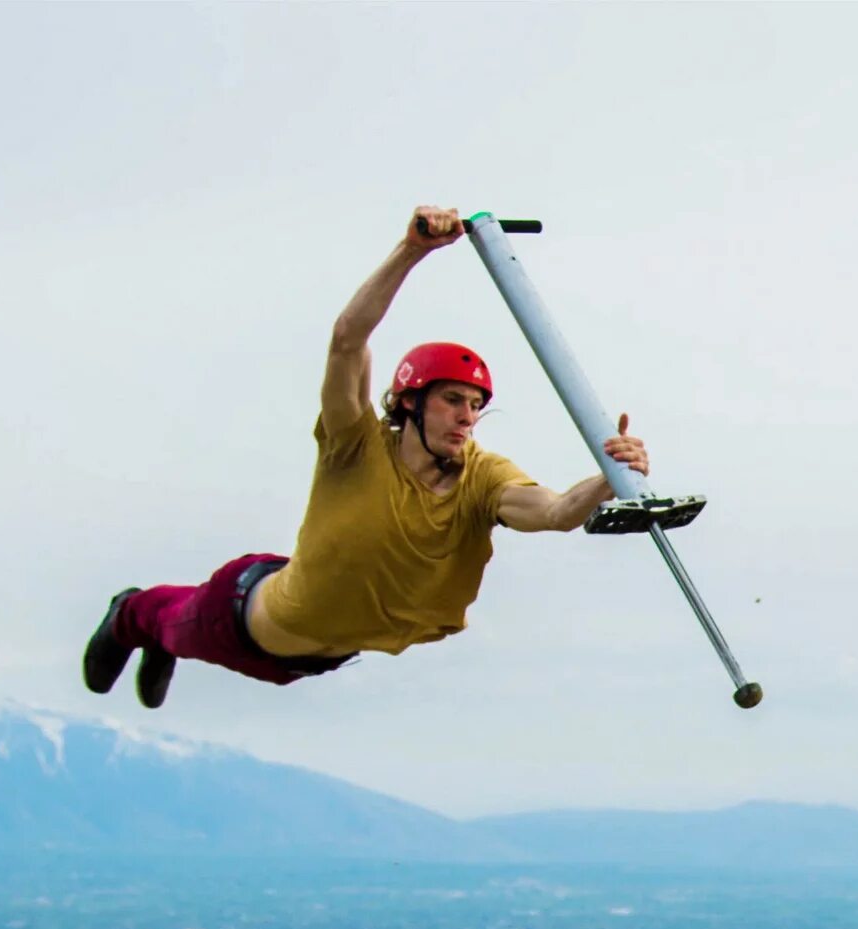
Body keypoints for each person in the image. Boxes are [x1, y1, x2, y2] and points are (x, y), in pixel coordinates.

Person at [81, 205, 649, 707]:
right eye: (453, 400)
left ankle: (155, 637)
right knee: (170, 624)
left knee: (181, 636)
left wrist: (606, 478)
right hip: (248, 619)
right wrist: (412, 250)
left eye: (476, 405)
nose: (467, 417)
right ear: (410, 400)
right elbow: (348, 339)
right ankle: (130, 615)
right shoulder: (354, 443)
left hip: (312, 659)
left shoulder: (484, 478)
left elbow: (552, 512)